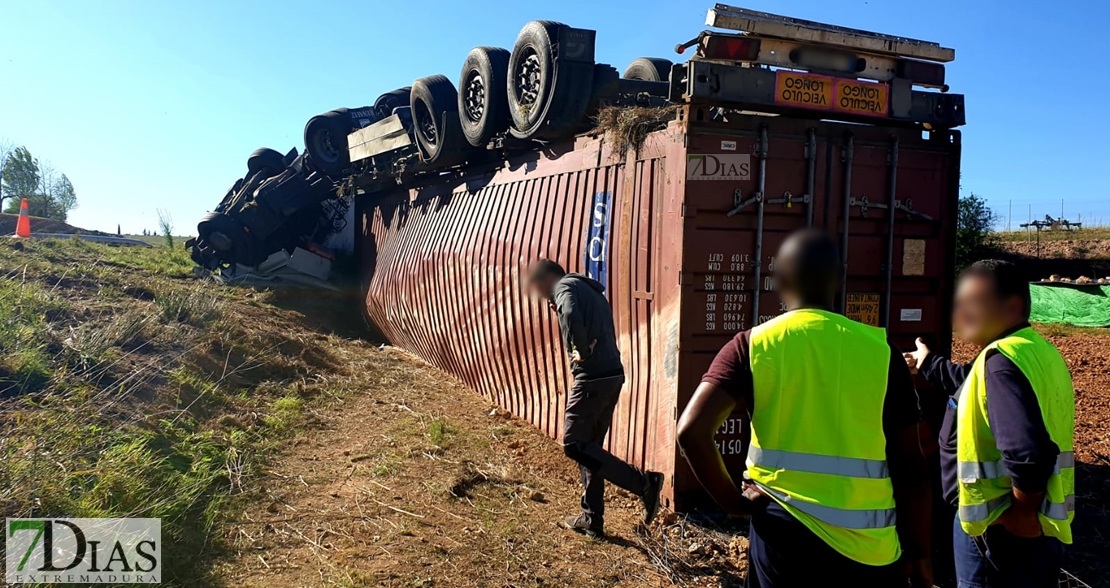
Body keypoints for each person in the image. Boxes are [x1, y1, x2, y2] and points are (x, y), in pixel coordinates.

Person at [676, 229, 933, 587]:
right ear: (839, 278)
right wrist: (920, 551)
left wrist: (733, 504)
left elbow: (691, 431)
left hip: (783, 540)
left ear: (778, 279)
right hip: (869, 551)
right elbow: (911, 467)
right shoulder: (881, 352)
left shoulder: (753, 346)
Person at [904, 259, 1075, 587]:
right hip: (1039, 529)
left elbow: (1028, 454)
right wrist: (927, 364)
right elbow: (969, 381)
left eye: (972, 304)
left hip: (999, 532)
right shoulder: (1033, 350)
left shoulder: (999, 365)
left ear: (1011, 306)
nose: (960, 315)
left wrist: (1021, 516)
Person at [527, 259, 664, 538]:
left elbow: (570, 313)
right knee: (590, 449)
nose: (541, 295)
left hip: (592, 377)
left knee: (575, 445)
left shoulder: (564, 286)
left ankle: (644, 483)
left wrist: (581, 351)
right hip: (611, 376)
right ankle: (592, 520)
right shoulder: (587, 288)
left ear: (547, 278)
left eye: (539, 288)